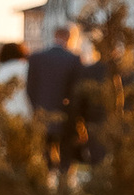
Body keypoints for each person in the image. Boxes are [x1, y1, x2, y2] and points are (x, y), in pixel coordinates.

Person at [23, 22, 89, 171]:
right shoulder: (74, 60)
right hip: (66, 116)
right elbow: (77, 93)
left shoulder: (36, 58)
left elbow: (30, 89)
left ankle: (47, 187)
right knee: (65, 160)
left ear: (55, 35)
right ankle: (63, 188)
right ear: (70, 37)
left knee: (45, 158)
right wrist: (78, 119)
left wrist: (37, 109)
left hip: (42, 116)